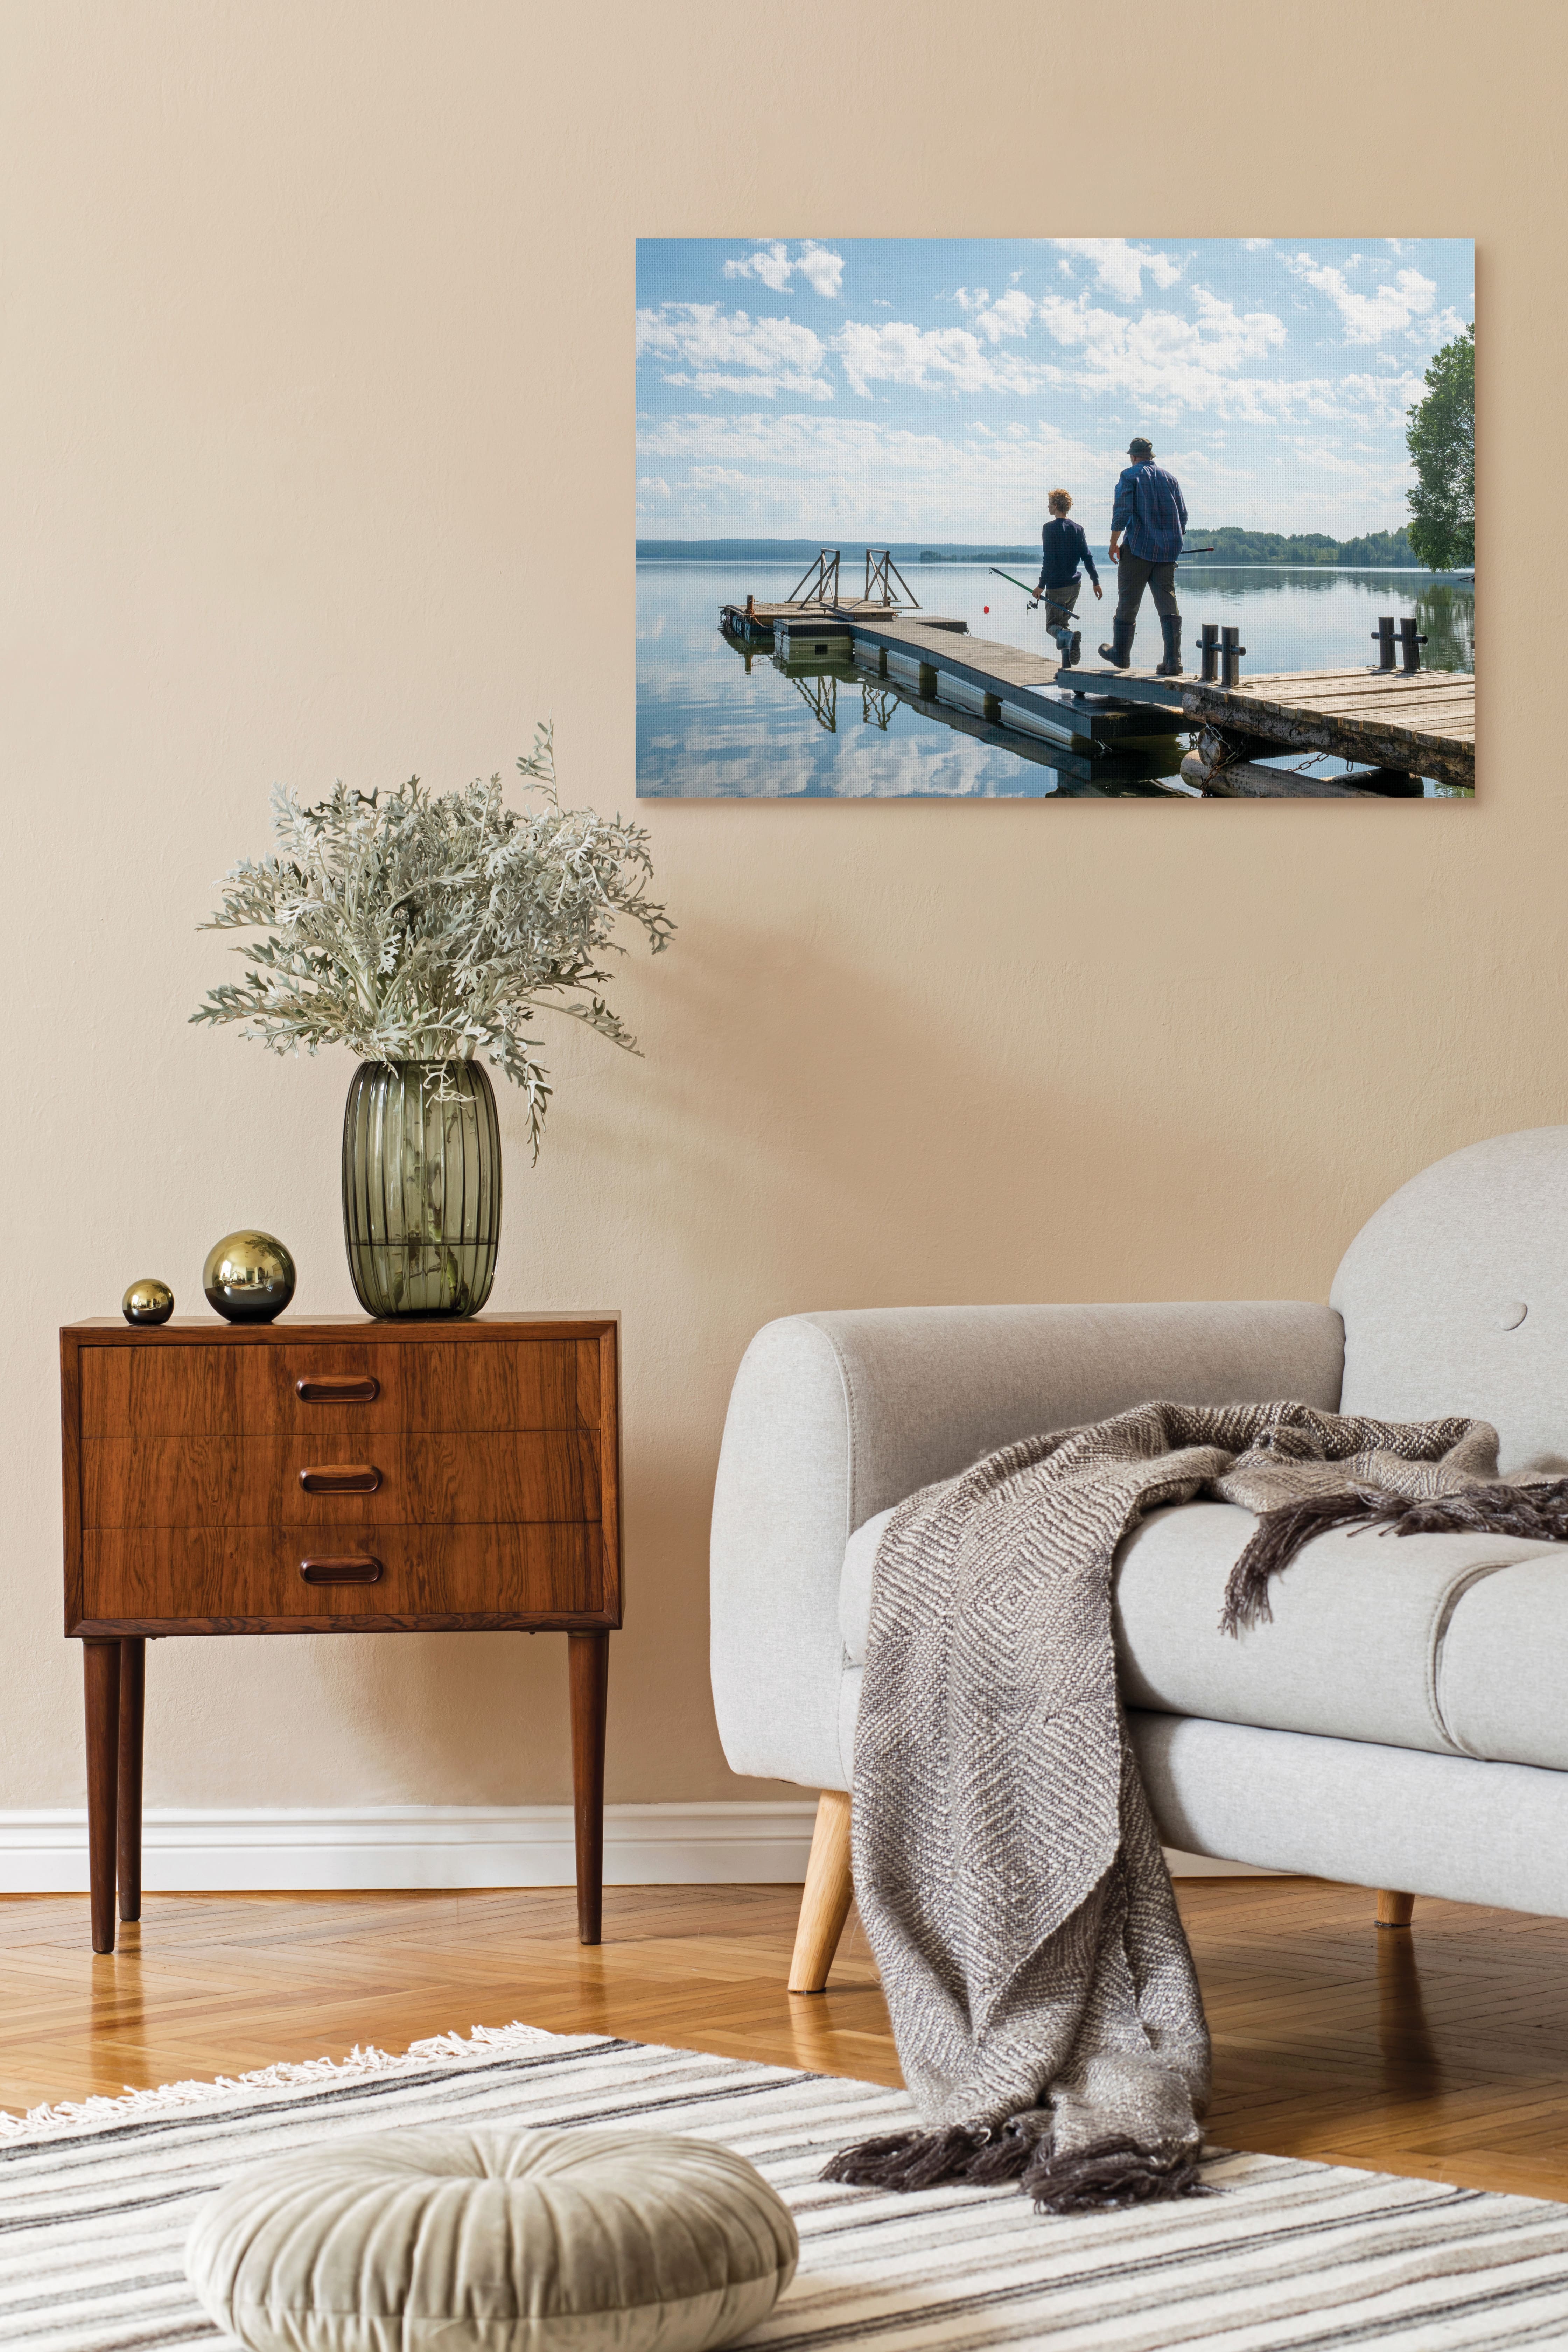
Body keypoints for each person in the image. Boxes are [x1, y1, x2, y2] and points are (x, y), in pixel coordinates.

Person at [1100, 434, 1187, 674]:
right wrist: (1172, 542)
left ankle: (1121, 655)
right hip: (1168, 553)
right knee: (1167, 602)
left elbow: (1123, 511)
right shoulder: (1171, 479)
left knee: (1129, 601)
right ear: (1151, 457)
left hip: (1138, 549)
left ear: (1133, 457)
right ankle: (1173, 661)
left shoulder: (1129, 476)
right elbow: (1183, 518)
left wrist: (1114, 543)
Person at [1031, 489, 1102, 670]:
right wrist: (1096, 582)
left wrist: (1041, 586)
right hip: (1074, 586)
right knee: (1063, 625)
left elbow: (1049, 560)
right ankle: (1066, 670)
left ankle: (1069, 639)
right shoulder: (1078, 529)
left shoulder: (1049, 528)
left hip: (1056, 587)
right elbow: (1088, 557)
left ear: (1055, 506)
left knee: (1053, 626)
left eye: (1049, 503)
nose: (1048, 506)